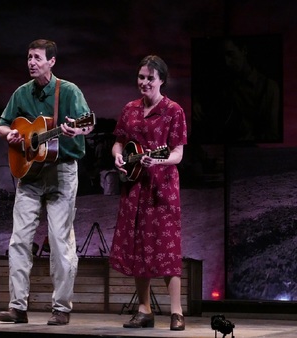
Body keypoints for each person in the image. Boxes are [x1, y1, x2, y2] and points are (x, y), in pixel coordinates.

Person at [0, 39, 93, 326]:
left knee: (61, 241)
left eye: (37, 58)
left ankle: (61, 308)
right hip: (29, 174)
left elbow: (87, 124)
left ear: (51, 62)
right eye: (29, 57)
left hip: (61, 171)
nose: (31, 62)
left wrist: (76, 130)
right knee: (19, 240)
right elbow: (3, 124)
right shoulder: (21, 93)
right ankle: (17, 307)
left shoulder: (70, 91)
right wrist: (9, 135)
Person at [109, 55, 188, 331]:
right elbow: (119, 142)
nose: (143, 82)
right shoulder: (129, 109)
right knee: (138, 247)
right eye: (141, 77)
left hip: (162, 188)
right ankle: (144, 310)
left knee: (167, 249)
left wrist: (158, 161)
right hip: (134, 186)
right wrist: (118, 157)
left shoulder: (173, 111)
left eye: (149, 78)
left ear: (161, 80)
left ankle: (176, 312)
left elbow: (177, 153)